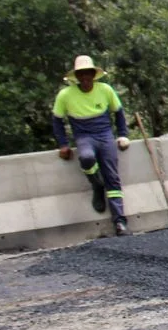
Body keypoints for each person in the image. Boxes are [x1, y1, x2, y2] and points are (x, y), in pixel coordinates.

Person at [53, 55, 132, 236]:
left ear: (93, 74)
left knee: (112, 176)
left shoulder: (105, 90)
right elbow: (57, 120)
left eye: (88, 73)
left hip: (104, 134)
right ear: (77, 77)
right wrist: (63, 144)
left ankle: (120, 222)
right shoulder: (65, 95)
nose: (85, 77)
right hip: (84, 136)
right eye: (81, 74)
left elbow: (119, 112)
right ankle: (96, 184)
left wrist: (122, 135)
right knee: (86, 158)